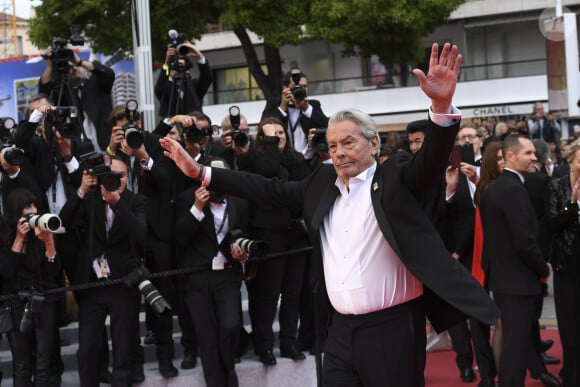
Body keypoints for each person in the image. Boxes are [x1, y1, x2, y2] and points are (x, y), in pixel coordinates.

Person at [161, 42, 499, 386]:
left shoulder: (396, 176)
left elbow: (430, 163)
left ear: (373, 143)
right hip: (338, 332)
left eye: (349, 143)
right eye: (333, 146)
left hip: (393, 328)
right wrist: (201, 173)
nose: (339, 153)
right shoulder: (320, 182)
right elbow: (266, 189)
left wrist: (440, 108)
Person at [58, 156, 146, 386]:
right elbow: (63, 223)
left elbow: (140, 234)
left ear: (128, 177)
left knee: (123, 350)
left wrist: (117, 202)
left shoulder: (136, 201)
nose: (115, 180)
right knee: (87, 349)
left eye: (121, 175)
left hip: (124, 284)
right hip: (93, 286)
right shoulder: (91, 199)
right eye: (111, 175)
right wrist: (81, 190)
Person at [481, 134, 560, 387]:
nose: (534, 157)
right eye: (528, 153)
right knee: (514, 350)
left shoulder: (496, 187)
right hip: (517, 282)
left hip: (506, 280)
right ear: (510, 156)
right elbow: (524, 241)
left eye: (534, 153)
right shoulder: (512, 189)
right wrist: (542, 268)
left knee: (516, 344)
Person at [237, 116, 311, 365]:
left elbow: (305, 191)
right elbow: (268, 170)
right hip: (268, 235)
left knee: (293, 293)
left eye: (281, 132)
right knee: (268, 295)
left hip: (297, 236)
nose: (278, 137)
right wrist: (270, 145)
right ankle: (264, 346)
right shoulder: (253, 160)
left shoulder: (297, 160)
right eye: (271, 134)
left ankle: (289, 343)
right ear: (262, 138)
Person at [174, 163, 250, 387]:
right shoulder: (187, 198)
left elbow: (244, 234)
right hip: (198, 277)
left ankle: (228, 368)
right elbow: (180, 237)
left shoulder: (239, 200)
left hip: (227, 275)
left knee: (230, 325)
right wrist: (197, 207)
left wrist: (243, 253)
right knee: (206, 337)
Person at [0, 188, 62, 387]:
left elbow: (53, 271)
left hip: (44, 301)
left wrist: (48, 241)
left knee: (43, 363)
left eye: (34, 205)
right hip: (16, 304)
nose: (32, 210)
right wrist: (19, 239)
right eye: (27, 206)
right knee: (22, 364)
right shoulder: (3, 236)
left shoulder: (43, 230)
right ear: (15, 211)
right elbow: (6, 273)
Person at [545, 144, 580, 387]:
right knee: (569, 322)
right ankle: (572, 374)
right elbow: (552, 224)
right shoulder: (557, 186)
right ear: (571, 161)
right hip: (567, 262)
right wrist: (572, 204)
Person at [39, 46, 115, 153]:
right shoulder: (65, 91)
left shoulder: (96, 83)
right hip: (79, 147)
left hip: (105, 144)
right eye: (70, 69)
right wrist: (49, 65)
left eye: (75, 67)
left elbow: (108, 73)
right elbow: (44, 91)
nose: (73, 70)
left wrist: (79, 61)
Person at [261, 70, 329, 164]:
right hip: (282, 161)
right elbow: (264, 128)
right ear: (285, 88)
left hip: (309, 161)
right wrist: (282, 108)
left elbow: (327, 125)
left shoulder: (313, 105)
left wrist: (306, 109)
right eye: (295, 87)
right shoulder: (274, 104)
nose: (301, 89)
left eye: (304, 86)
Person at [155, 42, 213, 117]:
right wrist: (166, 63)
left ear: (188, 69)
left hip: (193, 126)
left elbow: (207, 78)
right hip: (173, 126)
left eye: (182, 66)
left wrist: (199, 57)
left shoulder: (194, 86)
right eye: (175, 67)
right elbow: (159, 89)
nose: (179, 69)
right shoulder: (167, 88)